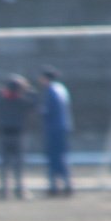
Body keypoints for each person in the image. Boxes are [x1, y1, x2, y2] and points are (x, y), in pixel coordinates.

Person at [0, 73, 37, 199]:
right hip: (18, 135)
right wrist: (28, 90)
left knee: (5, 165)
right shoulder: (22, 101)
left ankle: (4, 191)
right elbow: (34, 102)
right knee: (18, 165)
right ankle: (19, 190)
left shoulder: (1, 100)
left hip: (4, 134)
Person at [37, 65, 73, 196]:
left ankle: (55, 186)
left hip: (54, 128)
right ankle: (66, 184)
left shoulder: (51, 91)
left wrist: (39, 109)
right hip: (63, 127)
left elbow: (47, 111)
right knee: (61, 156)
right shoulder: (61, 89)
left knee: (54, 157)